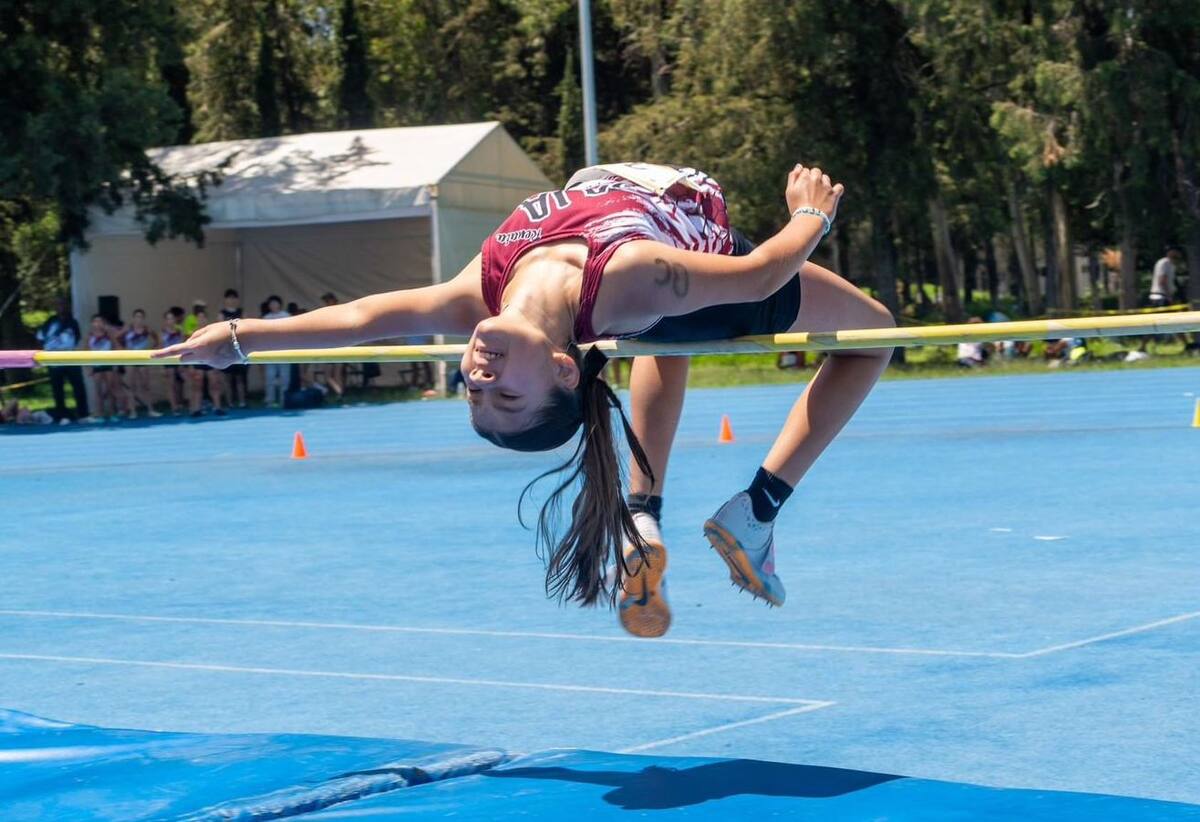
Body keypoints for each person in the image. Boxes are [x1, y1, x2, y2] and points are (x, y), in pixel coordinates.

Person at [159, 162, 894, 639]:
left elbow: (361, 319)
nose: (480, 377)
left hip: (638, 264)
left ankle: (642, 512)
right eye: (505, 394)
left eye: (473, 390)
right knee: (875, 334)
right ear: (563, 371)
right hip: (699, 266)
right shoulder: (633, 277)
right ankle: (757, 508)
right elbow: (762, 274)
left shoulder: (479, 291)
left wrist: (240, 336)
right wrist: (811, 214)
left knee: (658, 343)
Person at [36, 298, 90, 423]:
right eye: (58, 304)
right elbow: (40, 337)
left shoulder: (73, 322)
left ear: (68, 306)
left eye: (63, 304)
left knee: (78, 385)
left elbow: (77, 338)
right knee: (57, 388)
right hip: (53, 358)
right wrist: (43, 353)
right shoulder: (50, 322)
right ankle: (62, 416)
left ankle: (83, 415)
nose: (61, 307)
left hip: (70, 357)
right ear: (55, 307)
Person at [120, 309, 161, 419]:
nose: (139, 319)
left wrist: (152, 350)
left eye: (141, 317)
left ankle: (151, 410)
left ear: (143, 319)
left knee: (146, 385)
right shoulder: (128, 329)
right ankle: (132, 411)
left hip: (143, 359)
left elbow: (157, 339)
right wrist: (123, 350)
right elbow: (116, 338)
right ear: (133, 318)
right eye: (137, 317)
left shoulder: (147, 329)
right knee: (131, 386)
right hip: (131, 359)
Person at [185, 308, 226, 417]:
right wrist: (190, 366)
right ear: (196, 320)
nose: (201, 320)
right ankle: (196, 408)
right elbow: (188, 350)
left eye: (203, 317)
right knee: (197, 385)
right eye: (199, 318)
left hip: (210, 361)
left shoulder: (211, 333)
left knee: (215, 383)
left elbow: (216, 348)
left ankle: (217, 407)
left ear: (206, 319)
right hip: (197, 361)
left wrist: (217, 363)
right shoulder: (193, 334)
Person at [86, 315, 124, 422]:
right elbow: (85, 351)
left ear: (103, 323)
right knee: (98, 390)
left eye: (100, 321)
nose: (97, 324)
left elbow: (117, 347)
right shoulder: (90, 336)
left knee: (110, 389)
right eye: (95, 321)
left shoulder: (109, 335)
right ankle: (100, 414)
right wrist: (88, 367)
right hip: (96, 365)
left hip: (108, 364)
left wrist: (116, 362)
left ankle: (112, 413)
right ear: (92, 323)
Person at [220, 289, 249, 408]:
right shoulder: (221, 314)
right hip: (227, 348)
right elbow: (220, 329)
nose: (231, 300)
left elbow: (246, 327)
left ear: (237, 300)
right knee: (227, 377)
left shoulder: (242, 312)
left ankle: (242, 401)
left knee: (240, 378)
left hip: (240, 348)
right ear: (225, 300)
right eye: (229, 297)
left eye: (233, 297)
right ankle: (230, 402)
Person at [260, 296, 291, 406]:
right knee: (270, 376)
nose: (273, 305)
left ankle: (284, 400)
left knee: (285, 377)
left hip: (284, 350)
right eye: (271, 303)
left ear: (279, 304)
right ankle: (270, 400)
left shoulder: (286, 316)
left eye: (275, 303)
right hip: (270, 351)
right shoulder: (266, 318)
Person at [160, 308, 187, 415]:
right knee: (171, 384)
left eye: (172, 318)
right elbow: (161, 348)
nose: (170, 321)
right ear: (165, 321)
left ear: (174, 320)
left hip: (179, 359)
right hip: (168, 360)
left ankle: (180, 403)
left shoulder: (180, 330)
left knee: (180, 383)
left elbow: (183, 345)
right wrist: (162, 366)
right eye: (168, 319)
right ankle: (174, 407)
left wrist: (183, 362)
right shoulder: (162, 332)